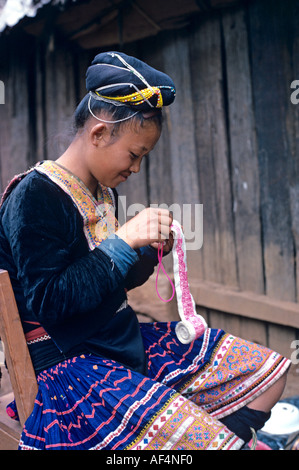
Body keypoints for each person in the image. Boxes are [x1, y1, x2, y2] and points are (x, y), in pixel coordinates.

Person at [0, 51, 290, 450]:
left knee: (267, 374)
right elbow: (52, 302)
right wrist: (122, 242)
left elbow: (108, 281)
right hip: (71, 369)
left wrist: (148, 252)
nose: (136, 168)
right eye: (135, 155)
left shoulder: (103, 193)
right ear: (99, 134)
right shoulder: (35, 195)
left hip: (119, 342)